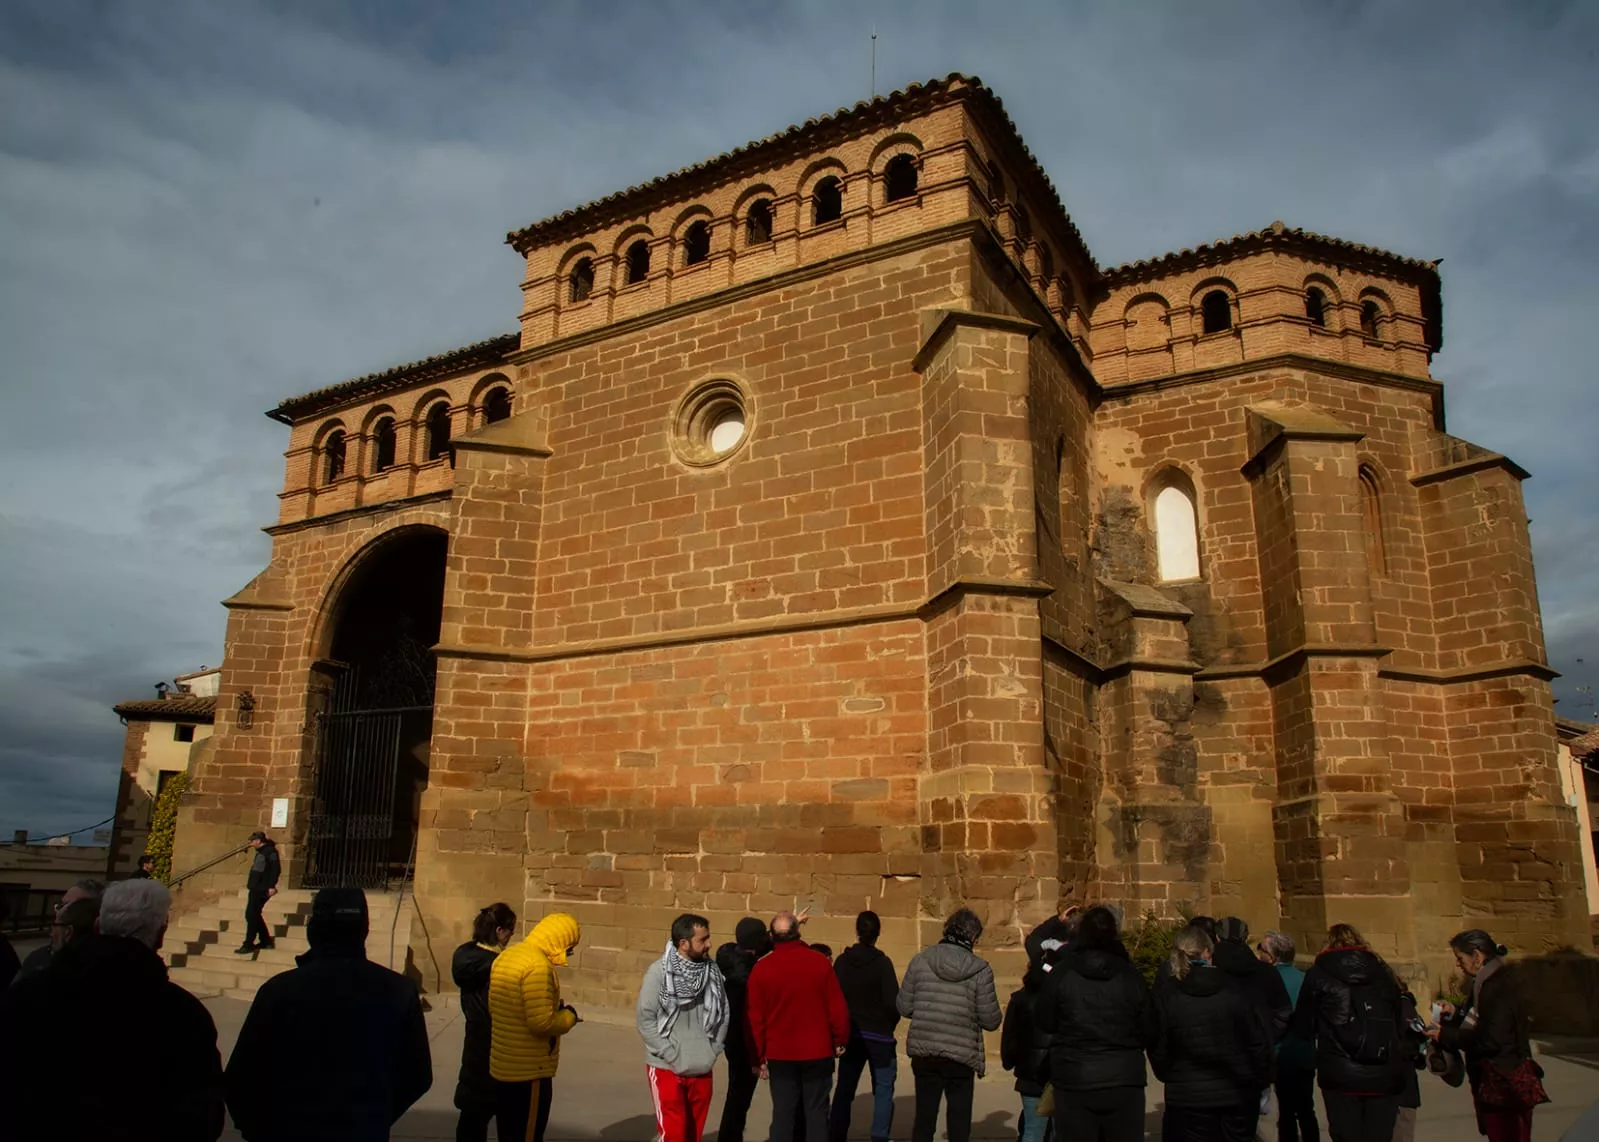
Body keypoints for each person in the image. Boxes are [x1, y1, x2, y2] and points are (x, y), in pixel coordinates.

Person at [0, 879, 225, 1141]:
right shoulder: (183, 1013)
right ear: (161, 933)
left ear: (97, 925)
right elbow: (201, 1114)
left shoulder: (31, 992)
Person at [225, 887, 432, 1141]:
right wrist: (372, 1117)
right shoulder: (398, 991)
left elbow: (240, 1078)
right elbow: (417, 1075)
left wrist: (262, 1129)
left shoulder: (280, 991)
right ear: (364, 930)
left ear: (313, 929)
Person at [1034, 905, 1153, 1142]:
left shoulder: (1062, 973)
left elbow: (1045, 1020)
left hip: (1075, 1077)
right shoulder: (1131, 975)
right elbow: (1150, 1028)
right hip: (1122, 1078)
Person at [1150, 922, 1272, 1142]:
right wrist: (1259, 1079)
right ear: (1207, 952)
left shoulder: (1168, 994)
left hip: (1189, 1094)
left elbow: (1158, 1046)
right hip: (1236, 1091)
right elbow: (1257, 1041)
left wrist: (1171, 1076)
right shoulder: (1234, 988)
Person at [1426, 929, 1546, 1142]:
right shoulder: (1485, 984)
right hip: (1496, 1083)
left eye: (1460, 958)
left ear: (1477, 957)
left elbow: (1491, 1039)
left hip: (1504, 1084)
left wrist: (1446, 1036)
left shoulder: (1496, 987)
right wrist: (1453, 1012)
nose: (1458, 964)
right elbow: (1476, 1020)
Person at [1291, 924, 1407, 1142]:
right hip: (1384, 1068)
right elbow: (1398, 1018)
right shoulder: (1383, 972)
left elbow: (1304, 1025)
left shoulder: (1318, 974)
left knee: (1346, 1135)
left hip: (1340, 1070)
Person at [898, 907, 1004, 1142]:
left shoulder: (921, 960)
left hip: (926, 1053)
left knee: (924, 1121)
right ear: (974, 937)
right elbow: (991, 1020)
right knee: (959, 1124)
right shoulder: (981, 970)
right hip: (961, 1056)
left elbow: (904, 1007)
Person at [746, 910, 852, 1142]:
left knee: (783, 1115)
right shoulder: (819, 963)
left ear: (772, 936)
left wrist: (758, 1057)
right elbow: (837, 1007)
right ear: (798, 933)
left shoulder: (762, 969)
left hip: (780, 1054)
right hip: (817, 1051)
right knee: (816, 1113)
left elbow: (756, 1019)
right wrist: (840, 1039)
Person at [489, 912, 582, 1142]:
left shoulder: (508, 956)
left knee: (508, 1133)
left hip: (503, 1066)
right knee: (527, 1135)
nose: (569, 953)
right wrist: (568, 1016)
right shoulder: (538, 966)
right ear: (558, 940)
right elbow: (541, 1023)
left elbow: (495, 1007)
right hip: (529, 1071)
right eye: (569, 946)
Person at [637, 913, 729, 1142]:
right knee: (674, 1135)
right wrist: (670, 1053)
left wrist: (713, 1049)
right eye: (702, 939)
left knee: (692, 1135)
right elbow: (645, 1019)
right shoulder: (658, 973)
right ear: (684, 944)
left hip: (701, 1065)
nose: (709, 944)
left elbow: (723, 1013)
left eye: (708, 938)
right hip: (666, 1067)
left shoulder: (713, 972)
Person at [830, 910, 901, 1142]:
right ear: (877, 933)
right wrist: (887, 1025)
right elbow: (893, 1002)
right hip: (879, 1035)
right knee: (883, 1089)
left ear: (858, 932)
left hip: (852, 1033)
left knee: (845, 1088)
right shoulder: (882, 964)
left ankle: (836, 1133)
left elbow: (834, 996)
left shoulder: (842, 962)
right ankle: (879, 1136)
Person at [453, 903, 516, 1142]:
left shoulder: (465, 957)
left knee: (471, 1117)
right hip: (499, 1047)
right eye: (510, 931)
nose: (511, 937)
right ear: (500, 931)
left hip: (474, 1043)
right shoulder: (500, 965)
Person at [1256, 931, 1318, 1142]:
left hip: (1280, 1054)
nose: (1258, 954)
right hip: (1305, 1054)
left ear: (1272, 956)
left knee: (1286, 1113)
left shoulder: (1267, 980)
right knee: (1306, 1110)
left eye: (1261, 950)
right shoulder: (1304, 978)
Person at [716, 917, 771, 1142]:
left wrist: (793, 923)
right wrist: (757, 1058)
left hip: (732, 1041)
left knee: (736, 1096)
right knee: (739, 1098)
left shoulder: (731, 955)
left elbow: (766, 942)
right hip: (743, 1044)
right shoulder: (746, 976)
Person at [1000, 954, 1054, 1142]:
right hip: (1059, 1072)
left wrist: (1009, 1060)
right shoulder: (1064, 998)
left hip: (1029, 1073)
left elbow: (1010, 1036)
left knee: (1032, 1129)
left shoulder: (1019, 999)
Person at [14, 877, 104, 981]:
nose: (59, 913)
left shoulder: (103, 967)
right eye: (61, 906)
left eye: (69, 906)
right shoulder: (38, 959)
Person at [236, 829, 280, 954]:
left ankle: (249, 943)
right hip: (255, 887)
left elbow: (276, 869)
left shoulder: (270, 852)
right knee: (253, 914)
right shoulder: (261, 852)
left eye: (252, 841)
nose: (250, 843)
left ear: (258, 841)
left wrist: (271, 886)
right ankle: (266, 940)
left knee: (251, 914)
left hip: (262, 888)